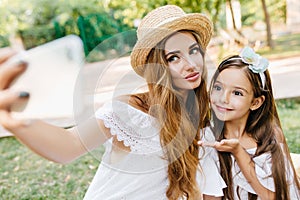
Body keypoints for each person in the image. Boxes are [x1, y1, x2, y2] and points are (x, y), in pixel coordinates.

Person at [0, 5, 225, 200]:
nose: (191, 64)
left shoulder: (201, 113)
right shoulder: (131, 111)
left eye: (193, 50)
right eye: (173, 57)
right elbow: (70, 144)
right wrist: (14, 121)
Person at [204, 46, 300, 199]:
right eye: (218, 88)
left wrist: (238, 152)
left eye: (237, 93)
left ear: (255, 102)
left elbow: (274, 197)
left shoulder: (270, 137)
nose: (223, 98)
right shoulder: (208, 139)